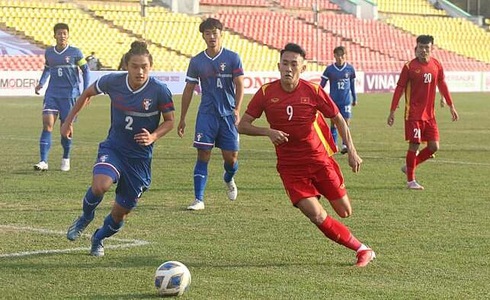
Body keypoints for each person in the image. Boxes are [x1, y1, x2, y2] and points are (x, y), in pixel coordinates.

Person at [238, 43, 375, 267]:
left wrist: (352, 151)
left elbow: (338, 119)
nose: (288, 68)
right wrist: (268, 132)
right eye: (285, 64)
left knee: (344, 211)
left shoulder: (313, 91)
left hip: (319, 160)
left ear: (302, 67)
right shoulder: (265, 93)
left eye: (294, 64)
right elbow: (242, 125)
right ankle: (362, 249)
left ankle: (324, 191)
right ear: (278, 66)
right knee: (317, 215)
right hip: (291, 168)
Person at [61, 41, 175, 256]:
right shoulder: (113, 81)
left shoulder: (159, 91)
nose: (139, 71)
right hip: (114, 147)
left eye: (144, 66)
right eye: (134, 66)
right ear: (126, 65)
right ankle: (86, 216)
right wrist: (69, 121)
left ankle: (98, 238)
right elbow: (87, 93)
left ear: (151, 66)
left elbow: (169, 121)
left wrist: (153, 136)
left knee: (120, 214)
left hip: (139, 159)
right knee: (100, 186)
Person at [177, 18, 244, 211]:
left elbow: (240, 84)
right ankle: (198, 199)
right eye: (208, 33)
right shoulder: (197, 61)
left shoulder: (232, 58)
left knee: (230, 159)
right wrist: (182, 118)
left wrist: (237, 109)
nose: (212, 37)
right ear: (203, 36)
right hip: (206, 114)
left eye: (215, 33)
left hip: (227, 115)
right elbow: (189, 88)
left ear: (221, 34)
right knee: (203, 154)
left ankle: (229, 178)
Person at [387, 35, 459, 190]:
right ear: (416, 48)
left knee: (434, 147)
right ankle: (410, 181)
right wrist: (392, 110)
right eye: (421, 47)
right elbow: (399, 88)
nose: (423, 50)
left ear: (432, 48)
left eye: (426, 47)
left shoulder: (436, 65)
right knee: (414, 145)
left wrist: (451, 104)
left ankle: (409, 166)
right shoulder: (409, 67)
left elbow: (442, 84)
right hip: (413, 114)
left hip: (430, 115)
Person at [34, 23, 90, 171]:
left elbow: (86, 70)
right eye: (59, 33)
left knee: (65, 128)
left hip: (69, 96)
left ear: (68, 35)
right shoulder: (49, 53)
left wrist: (86, 91)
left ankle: (66, 157)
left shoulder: (75, 52)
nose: (62, 36)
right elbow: (47, 69)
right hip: (52, 93)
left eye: (65, 33)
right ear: (55, 35)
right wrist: (41, 83)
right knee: (47, 124)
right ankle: (43, 161)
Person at [320, 46, 357, 155]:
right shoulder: (329, 69)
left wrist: (355, 98)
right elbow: (322, 85)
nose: (340, 57)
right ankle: (334, 144)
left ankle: (345, 144)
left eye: (342, 55)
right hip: (333, 101)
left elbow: (352, 85)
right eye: (338, 55)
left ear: (345, 56)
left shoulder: (350, 69)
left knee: (346, 122)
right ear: (334, 56)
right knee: (334, 124)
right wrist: (319, 96)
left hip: (346, 101)